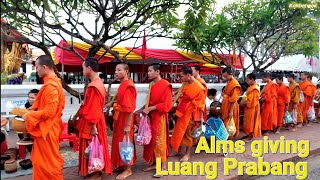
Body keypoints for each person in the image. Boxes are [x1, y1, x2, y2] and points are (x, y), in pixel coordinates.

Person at [22, 55, 65, 180]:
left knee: (48, 163)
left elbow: (49, 112)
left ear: (44, 67)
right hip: (49, 127)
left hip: (48, 129)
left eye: (37, 68)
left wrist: (29, 115)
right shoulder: (53, 83)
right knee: (43, 161)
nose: (37, 71)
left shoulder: (51, 86)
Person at [77, 57, 112, 178]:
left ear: (89, 68)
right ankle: (93, 171)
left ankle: (96, 173)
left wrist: (93, 126)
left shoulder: (94, 86)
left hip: (93, 122)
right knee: (94, 147)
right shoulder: (98, 83)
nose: (82, 71)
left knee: (92, 147)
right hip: (96, 119)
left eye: (83, 68)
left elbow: (93, 108)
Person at [137, 64, 172, 178]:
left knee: (159, 141)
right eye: (148, 71)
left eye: (150, 71)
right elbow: (150, 102)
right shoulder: (151, 84)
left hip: (160, 117)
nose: (148, 73)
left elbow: (166, 105)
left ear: (157, 72)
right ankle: (154, 163)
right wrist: (142, 109)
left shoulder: (166, 85)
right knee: (150, 140)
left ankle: (163, 166)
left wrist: (150, 109)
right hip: (150, 117)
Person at [170, 66, 206, 162]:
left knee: (188, 134)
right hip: (181, 111)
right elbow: (181, 93)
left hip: (191, 113)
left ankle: (187, 154)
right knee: (178, 131)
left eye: (182, 76)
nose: (181, 78)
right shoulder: (186, 83)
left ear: (188, 75)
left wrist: (200, 118)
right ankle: (177, 149)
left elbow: (200, 104)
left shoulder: (199, 88)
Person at [111, 63, 137, 179]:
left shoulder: (128, 86)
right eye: (116, 70)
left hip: (125, 120)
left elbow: (130, 108)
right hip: (120, 118)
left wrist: (127, 125)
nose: (116, 72)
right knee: (119, 142)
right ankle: (122, 164)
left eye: (119, 70)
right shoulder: (123, 84)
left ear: (126, 72)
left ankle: (128, 169)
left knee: (126, 143)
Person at [240, 73, 261, 142]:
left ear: (252, 79)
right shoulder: (251, 87)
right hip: (248, 107)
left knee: (251, 122)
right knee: (247, 121)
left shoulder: (255, 88)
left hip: (252, 107)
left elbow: (253, 101)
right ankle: (248, 133)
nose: (247, 81)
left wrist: (245, 103)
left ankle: (250, 136)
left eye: (248, 80)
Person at [221, 67, 241, 138]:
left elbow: (234, 99)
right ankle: (225, 138)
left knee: (229, 125)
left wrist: (231, 111)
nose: (225, 78)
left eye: (226, 76)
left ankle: (228, 139)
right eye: (224, 76)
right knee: (225, 123)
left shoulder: (235, 84)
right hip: (226, 106)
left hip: (231, 107)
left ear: (231, 74)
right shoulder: (229, 82)